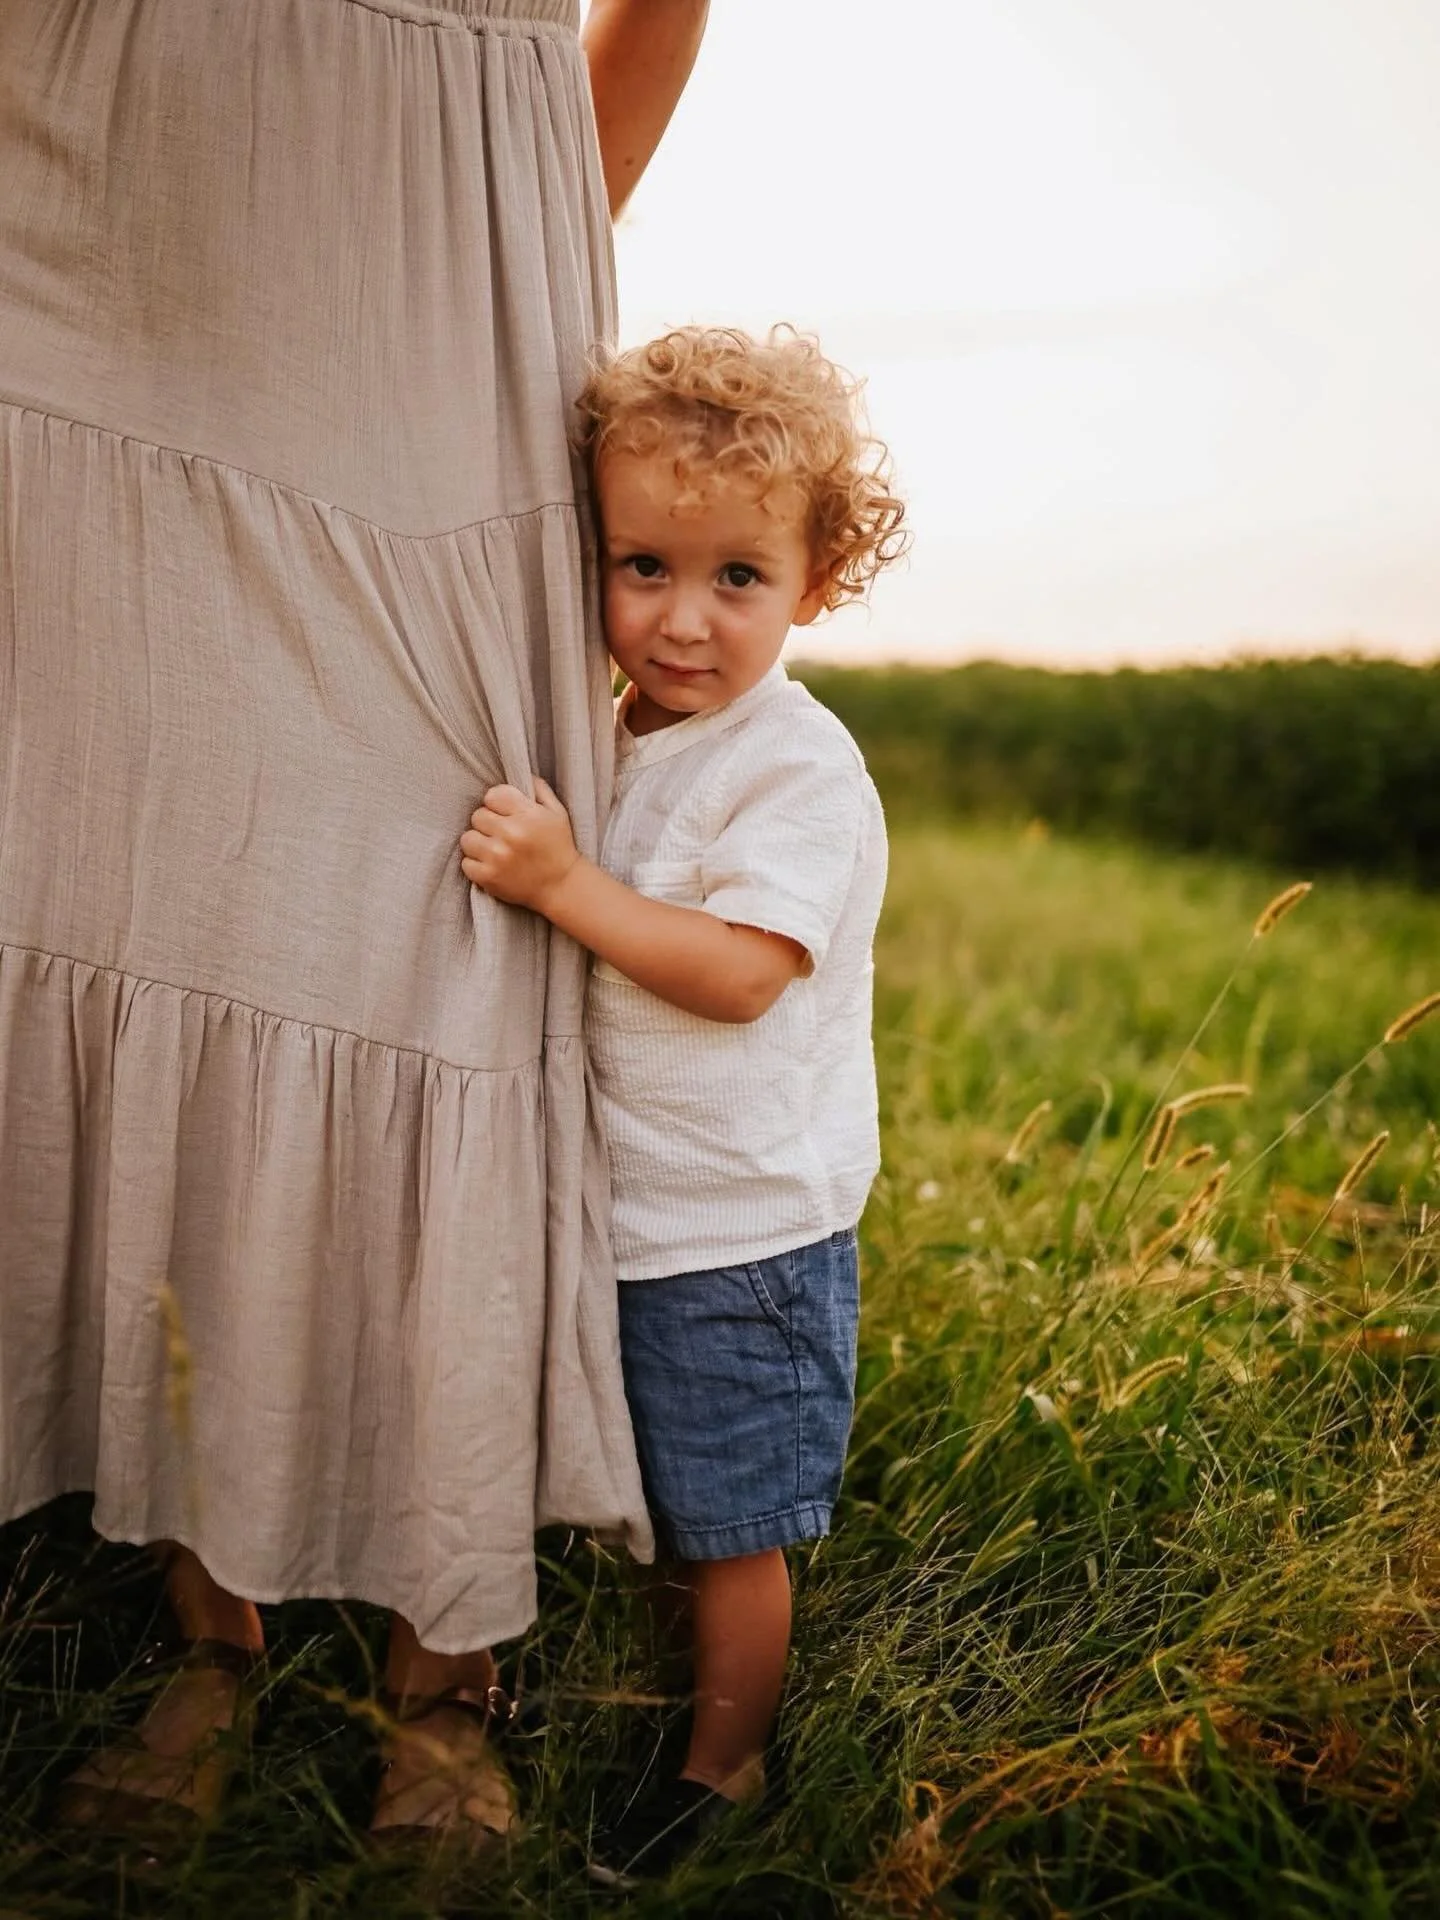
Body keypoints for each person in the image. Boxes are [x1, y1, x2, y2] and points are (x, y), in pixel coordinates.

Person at [0, 0, 707, 1843]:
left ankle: (448, 1673)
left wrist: (544, 202)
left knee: (449, 936)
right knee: (157, 895)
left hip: (443, 226)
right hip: (94, 230)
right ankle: (206, 1634)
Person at [457, 324, 907, 1877]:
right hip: (623, 1209)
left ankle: (724, 1771)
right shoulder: (617, 728)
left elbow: (735, 972)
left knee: (732, 1527)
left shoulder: (791, 766)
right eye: (643, 565)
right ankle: (647, 1686)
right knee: (656, 1496)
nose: (684, 621)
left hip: (739, 1229)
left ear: (816, 580)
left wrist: (566, 886)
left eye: (738, 579)